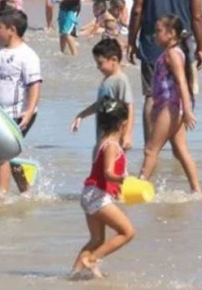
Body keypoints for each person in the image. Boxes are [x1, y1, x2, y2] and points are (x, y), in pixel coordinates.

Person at [128, 0, 202, 143]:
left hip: (152, 45)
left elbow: (137, 10)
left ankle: (151, 146)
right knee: (181, 93)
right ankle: (176, 145)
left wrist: (131, 41)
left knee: (151, 96)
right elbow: (197, 16)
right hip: (181, 47)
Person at [69, 98, 134, 280]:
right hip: (97, 195)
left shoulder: (103, 141)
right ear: (123, 124)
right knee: (127, 232)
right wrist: (123, 180)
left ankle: (74, 275)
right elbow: (107, 173)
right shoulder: (112, 146)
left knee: (96, 240)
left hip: (91, 194)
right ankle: (93, 259)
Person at [0, 9, 41, 197]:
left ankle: (1, 196)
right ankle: (26, 191)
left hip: (19, 114)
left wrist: (29, 111)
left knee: (3, 154)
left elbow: (34, 86)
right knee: (6, 155)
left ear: (12, 30)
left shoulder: (27, 55)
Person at [139, 15, 200, 192]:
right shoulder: (171, 52)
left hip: (170, 106)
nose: (155, 35)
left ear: (172, 33)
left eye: (159, 31)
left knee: (151, 149)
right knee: (180, 150)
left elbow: (182, 81)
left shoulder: (173, 54)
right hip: (170, 106)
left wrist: (187, 111)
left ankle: (139, 186)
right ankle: (196, 191)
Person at [71, 38, 134, 149]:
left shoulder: (121, 80)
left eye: (100, 63)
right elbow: (100, 104)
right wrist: (81, 115)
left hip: (115, 139)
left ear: (114, 60)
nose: (98, 67)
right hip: (103, 136)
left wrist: (127, 134)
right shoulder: (107, 80)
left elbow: (129, 106)